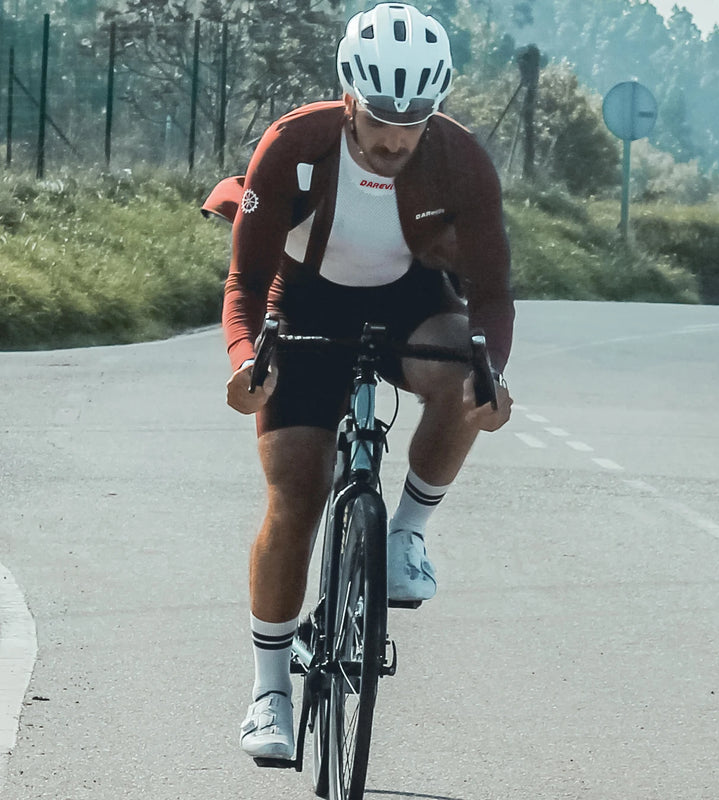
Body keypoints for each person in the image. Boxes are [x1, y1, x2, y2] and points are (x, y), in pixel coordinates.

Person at [217, 2, 514, 762]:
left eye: (412, 121)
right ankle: (269, 692)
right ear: (349, 95)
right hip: (307, 294)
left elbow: (490, 294)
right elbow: (246, 280)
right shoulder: (294, 143)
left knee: (462, 374)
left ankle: (407, 535)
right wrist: (246, 358)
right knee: (296, 492)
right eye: (380, 117)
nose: (394, 137)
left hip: (411, 298)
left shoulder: (461, 160)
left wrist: (491, 375)